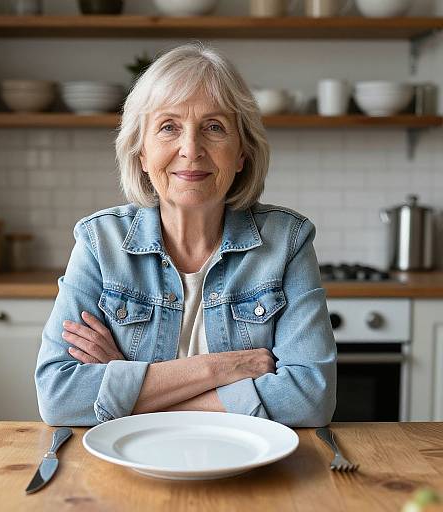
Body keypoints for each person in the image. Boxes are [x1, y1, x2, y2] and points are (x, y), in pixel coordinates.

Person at [35, 42, 336, 427]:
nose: (191, 149)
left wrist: (127, 380)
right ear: (141, 152)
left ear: (241, 152)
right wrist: (221, 368)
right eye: (168, 127)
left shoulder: (288, 241)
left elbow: (310, 399)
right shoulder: (99, 242)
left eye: (214, 127)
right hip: (130, 463)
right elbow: (58, 395)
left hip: (246, 464)